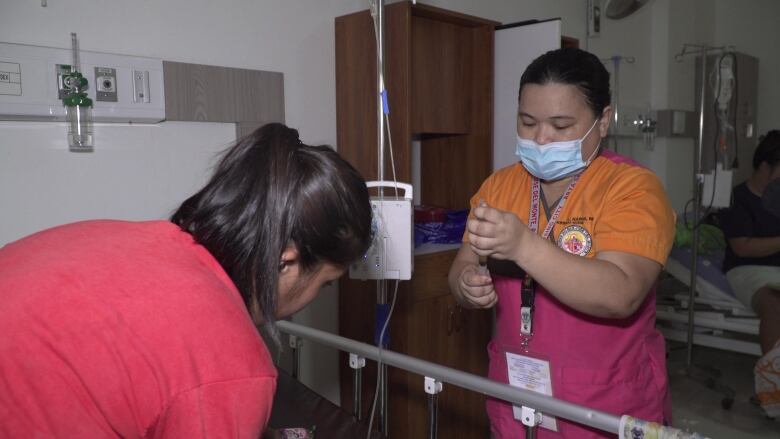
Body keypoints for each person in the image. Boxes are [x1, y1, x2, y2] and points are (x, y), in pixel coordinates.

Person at [0, 123, 373, 438]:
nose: (317, 296)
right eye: (325, 283)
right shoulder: (231, 366)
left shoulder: (131, 238)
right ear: (286, 261)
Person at [448, 48, 676, 438]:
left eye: (561, 125)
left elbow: (621, 293)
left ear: (602, 121)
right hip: (516, 393)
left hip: (604, 403)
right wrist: (466, 285)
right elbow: (460, 268)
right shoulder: (501, 186)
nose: (541, 138)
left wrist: (524, 246)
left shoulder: (633, 189)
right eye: (528, 121)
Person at [719, 130, 780, 418]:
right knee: (775, 302)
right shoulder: (738, 199)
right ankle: (773, 387)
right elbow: (742, 248)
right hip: (748, 269)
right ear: (765, 167)